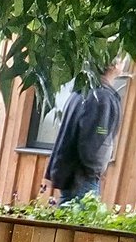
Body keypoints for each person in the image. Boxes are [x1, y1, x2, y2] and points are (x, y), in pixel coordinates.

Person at [43, 63, 124, 203]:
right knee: (79, 216)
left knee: (66, 214)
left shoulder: (81, 91)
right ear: (114, 65)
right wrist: (95, 170)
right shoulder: (101, 97)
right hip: (82, 180)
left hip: (71, 178)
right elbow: (97, 137)